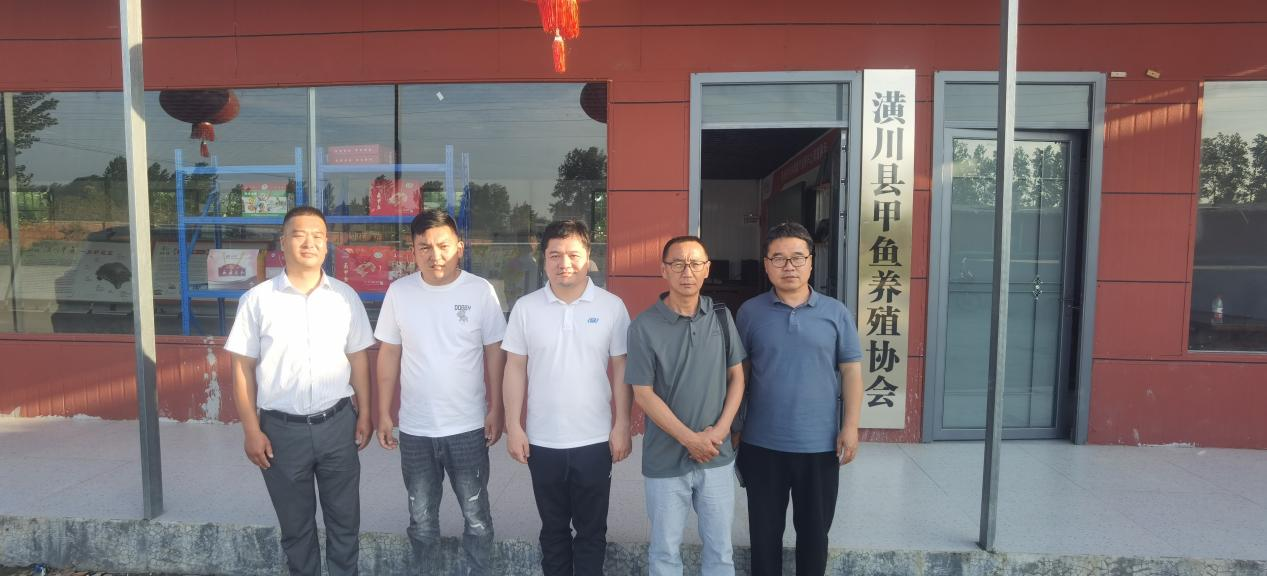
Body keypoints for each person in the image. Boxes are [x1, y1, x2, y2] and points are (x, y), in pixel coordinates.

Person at [226, 206, 375, 576]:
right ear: (283, 242)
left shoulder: (345, 297)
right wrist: (251, 430)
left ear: (327, 244)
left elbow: (358, 359)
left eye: (318, 236)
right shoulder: (257, 300)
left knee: (345, 523)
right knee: (296, 528)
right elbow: (241, 368)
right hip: (281, 432)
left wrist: (366, 414)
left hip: (337, 424)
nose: (309, 242)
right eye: (299, 234)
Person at [374, 209, 507, 576]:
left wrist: (497, 408)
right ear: (413, 251)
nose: (435, 255)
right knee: (421, 521)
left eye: (444, 245)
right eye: (425, 247)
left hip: (467, 427)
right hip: (416, 429)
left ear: (459, 247)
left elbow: (495, 352)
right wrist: (383, 413)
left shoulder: (480, 291)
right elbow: (389, 353)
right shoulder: (400, 292)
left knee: (477, 517)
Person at [501, 219, 632, 576]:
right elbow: (514, 368)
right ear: (543, 258)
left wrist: (622, 424)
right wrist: (514, 426)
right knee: (553, 530)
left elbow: (622, 368)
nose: (564, 263)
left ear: (588, 256)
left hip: (595, 440)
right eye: (555, 255)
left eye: (573, 254)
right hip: (543, 441)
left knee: (592, 531)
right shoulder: (526, 308)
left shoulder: (611, 307)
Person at [735, 222, 864, 576]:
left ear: (810, 262)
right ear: (766, 264)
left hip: (819, 445)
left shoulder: (836, 313)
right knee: (764, 536)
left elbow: (851, 372)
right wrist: (734, 426)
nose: (788, 266)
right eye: (778, 258)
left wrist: (851, 426)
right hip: (761, 444)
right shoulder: (749, 312)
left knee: (814, 535)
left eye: (797, 257)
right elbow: (739, 376)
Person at [626, 235, 746, 576]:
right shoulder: (644, 326)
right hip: (665, 459)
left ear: (707, 269)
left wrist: (719, 432)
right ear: (664, 270)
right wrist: (690, 439)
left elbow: (737, 378)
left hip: (716, 456)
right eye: (678, 263)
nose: (687, 271)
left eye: (695, 263)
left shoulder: (721, 317)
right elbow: (643, 393)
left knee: (721, 551)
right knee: (664, 552)